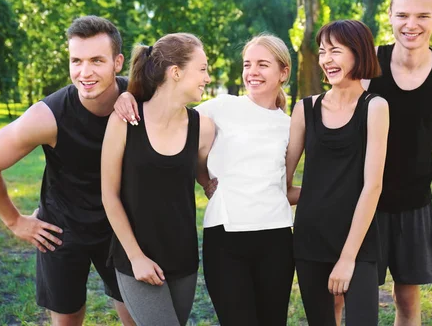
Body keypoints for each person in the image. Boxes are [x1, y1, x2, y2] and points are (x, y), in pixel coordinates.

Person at [114, 33, 298, 325]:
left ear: (283, 72)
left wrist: (329, 193)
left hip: (276, 236)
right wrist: (127, 95)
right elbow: (166, 110)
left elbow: (284, 186)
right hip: (225, 236)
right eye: (247, 64)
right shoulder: (220, 108)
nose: (252, 71)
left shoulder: (292, 125)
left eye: (263, 64)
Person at [0, 16, 135, 325]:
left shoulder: (139, 98)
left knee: (137, 316)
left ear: (118, 62)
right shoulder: (47, 116)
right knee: (66, 319)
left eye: (97, 60)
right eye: (76, 60)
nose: (84, 72)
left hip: (120, 227)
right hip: (61, 230)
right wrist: (15, 222)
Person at [363, 0, 432, 325]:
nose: (412, 25)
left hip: (415, 204)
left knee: (407, 300)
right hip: (365, 202)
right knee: (354, 296)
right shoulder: (367, 65)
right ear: (390, 16)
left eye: (422, 16)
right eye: (403, 15)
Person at [101, 33, 216, 326]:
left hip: (184, 259)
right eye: (202, 68)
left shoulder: (203, 127)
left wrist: (211, 184)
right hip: (135, 260)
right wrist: (136, 257)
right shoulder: (125, 120)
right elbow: (109, 195)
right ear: (175, 72)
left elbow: (202, 173)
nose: (207, 76)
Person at [286, 20, 389, 325]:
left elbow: (373, 186)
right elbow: (283, 181)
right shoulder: (305, 109)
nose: (326, 60)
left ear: (358, 53)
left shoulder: (375, 106)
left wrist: (347, 259)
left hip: (358, 242)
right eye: (322, 52)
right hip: (309, 240)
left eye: (335, 51)